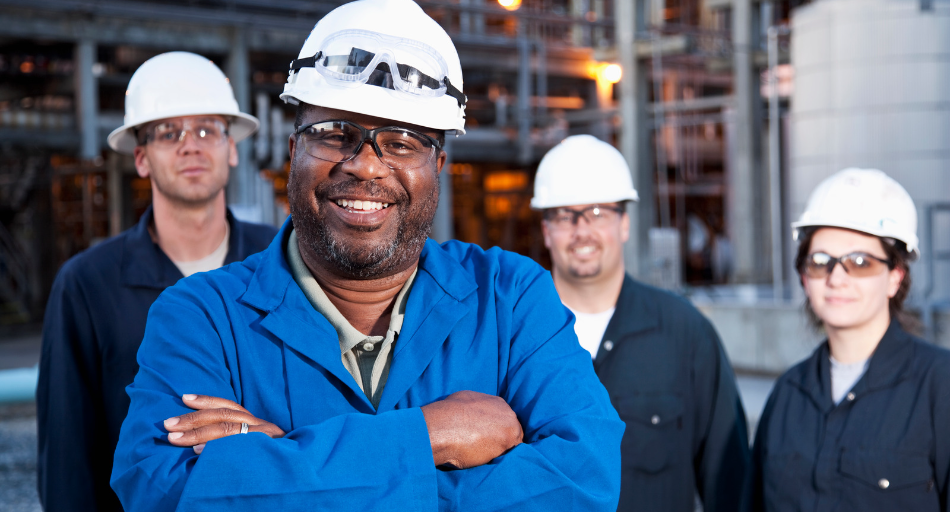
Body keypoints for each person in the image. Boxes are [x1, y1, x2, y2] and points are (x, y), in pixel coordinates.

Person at [110, 1, 624, 510]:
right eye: (335, 135)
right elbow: (165, 491)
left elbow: (585, 481)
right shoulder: (201, 318)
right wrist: (428, 437)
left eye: (401, 142)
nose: (366, 167)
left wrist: (278, 460)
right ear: (294, 152)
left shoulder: (509, 299)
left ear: (438, 165)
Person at [36, 51, 278, 512]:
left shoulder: (281, 263)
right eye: (169, 133)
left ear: (231, 147)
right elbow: (68, 455)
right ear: (142, 158)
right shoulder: (87, 284)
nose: (191, 145)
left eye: (207, 129)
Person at [532, 135, 750, 512]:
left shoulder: (685, 334)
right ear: (547, 230)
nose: (582, 230)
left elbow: (730, 482)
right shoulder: (514, 335)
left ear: (625, 224)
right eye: (565, 215)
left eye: (598, 213)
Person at [749, 168, 950, 511]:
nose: (836, 277)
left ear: (894, 278)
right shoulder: (787, 395)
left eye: (860, 262)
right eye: (820, 261)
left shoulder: (939, 386)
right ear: (803, 278)